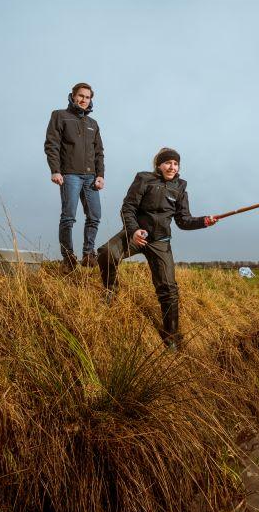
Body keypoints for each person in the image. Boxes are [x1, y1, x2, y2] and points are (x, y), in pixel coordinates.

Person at [97, 147, 217, 349]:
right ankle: (111, 289)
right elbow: (128, 208)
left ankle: (171, 336)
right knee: (106, 253)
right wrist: (134, 230)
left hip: (160, 241)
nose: (172, 166)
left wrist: (204, 221)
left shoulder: (179, 188)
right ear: (159, 165)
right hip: (136, 235)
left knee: (169, 289)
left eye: (176, 163)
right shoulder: (144, 179)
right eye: (168, 162)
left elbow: (183, 221)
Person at [44, 82, 104, 271]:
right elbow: (51, 144)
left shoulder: (93, 124)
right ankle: (68, 257)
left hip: (91, 177)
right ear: (72, 96)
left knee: (95, 216)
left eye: (87, 97)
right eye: (81, 96)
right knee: (68, 217)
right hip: (69, 175)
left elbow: (99, 152)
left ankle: (88, 254)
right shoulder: (60, 116)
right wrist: (55, 170)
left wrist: (100, 175)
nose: (84, 100)